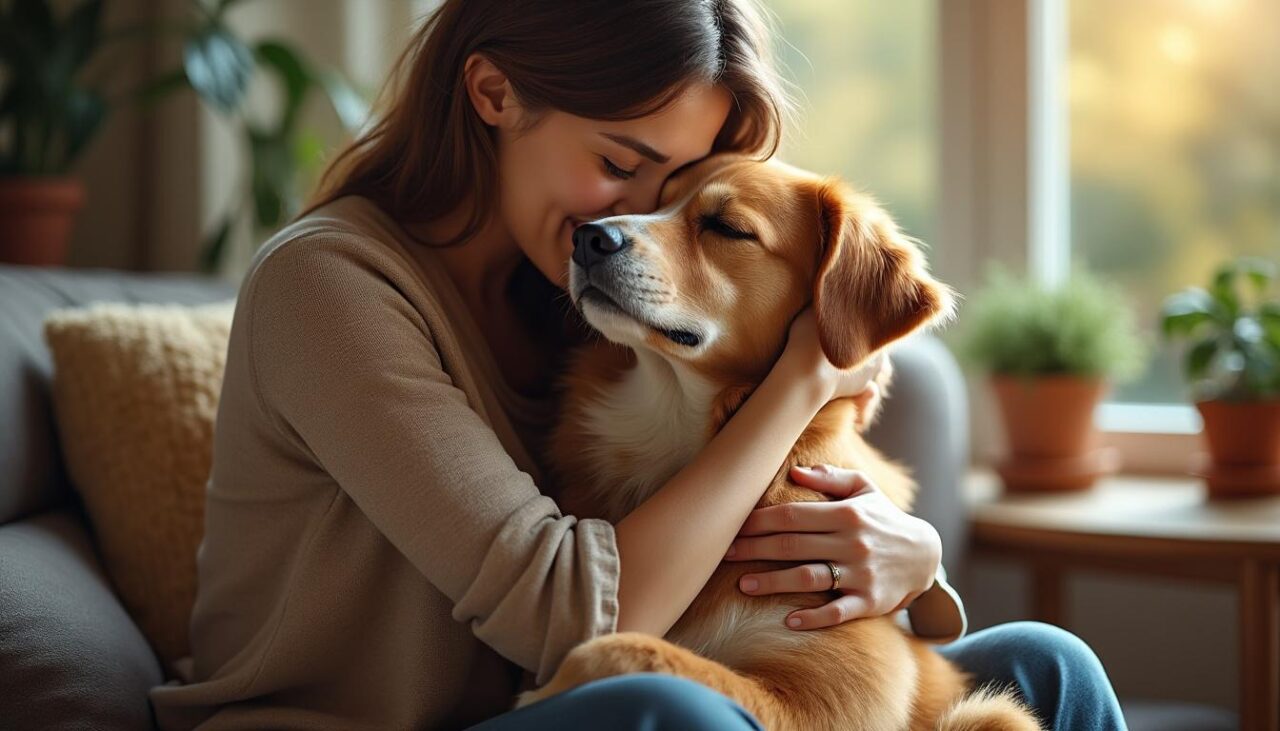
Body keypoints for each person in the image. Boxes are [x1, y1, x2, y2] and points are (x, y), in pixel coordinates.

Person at [147, 1, 1129, 729]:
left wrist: (915, 561)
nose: (624, 222)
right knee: (670, 711)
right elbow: (574, 618)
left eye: (669, 184)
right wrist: (799, 382)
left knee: (1047, 663)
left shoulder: (568, 302)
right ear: (492, 92)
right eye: (619, 165)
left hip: (567, 693)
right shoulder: (327, 285)